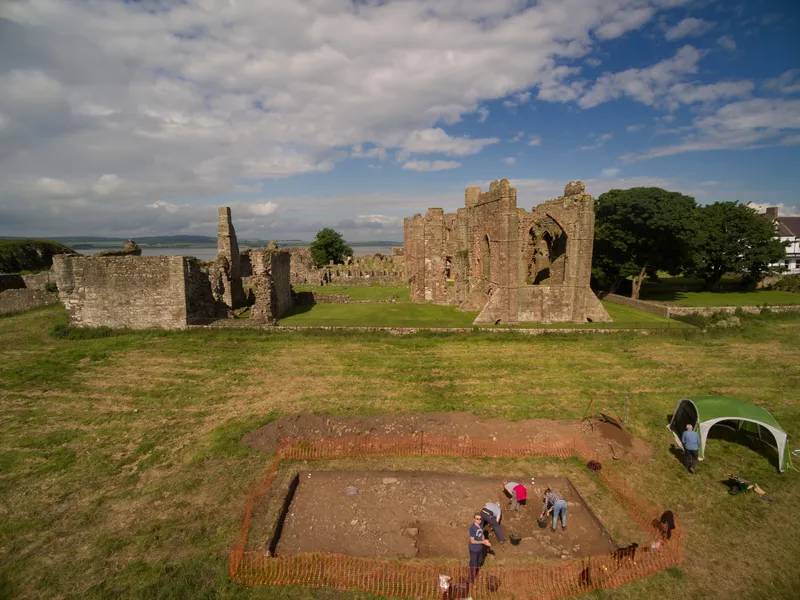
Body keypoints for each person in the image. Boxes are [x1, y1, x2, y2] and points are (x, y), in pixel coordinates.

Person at [468, 513, 491, 583]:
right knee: (474, 564)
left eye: (480, 519)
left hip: (480, 548)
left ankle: (474, 570)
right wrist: (483, 542)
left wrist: (484, 541)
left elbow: (482, 534)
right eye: (477, 519)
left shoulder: (480, 525)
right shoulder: (472, 528)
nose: (479, 520)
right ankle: (471, 578)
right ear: (474, 519)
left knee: (480, 561)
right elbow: (472, 541)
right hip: (474, 549)